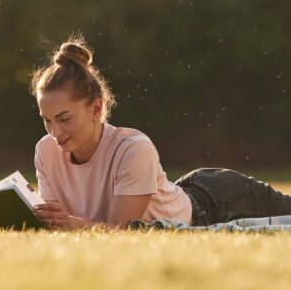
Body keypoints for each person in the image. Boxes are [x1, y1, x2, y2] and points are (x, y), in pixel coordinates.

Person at [30, 35, 291, 230]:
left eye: (64, 118)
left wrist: (70, 224)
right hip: (181, 194)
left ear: (96, 108)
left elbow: (120, 231)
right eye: (47, 120)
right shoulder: (46, 150)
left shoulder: (133, 148)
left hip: (217, 203)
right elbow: (56, 222)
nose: (55, 131)